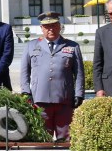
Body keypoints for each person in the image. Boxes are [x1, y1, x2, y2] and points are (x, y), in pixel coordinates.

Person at [19, 12, 84, 141]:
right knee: (42, 138)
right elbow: (24, 72)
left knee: (66, 138)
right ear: (41, 28)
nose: (51, 29)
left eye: (54, 25)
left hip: (64, 100)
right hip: (40, 100)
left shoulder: (72, 46)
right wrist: (26, 92)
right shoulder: (31, 46)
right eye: (47, 26)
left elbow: (79, 73)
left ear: (60, 26)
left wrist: (79, 94)